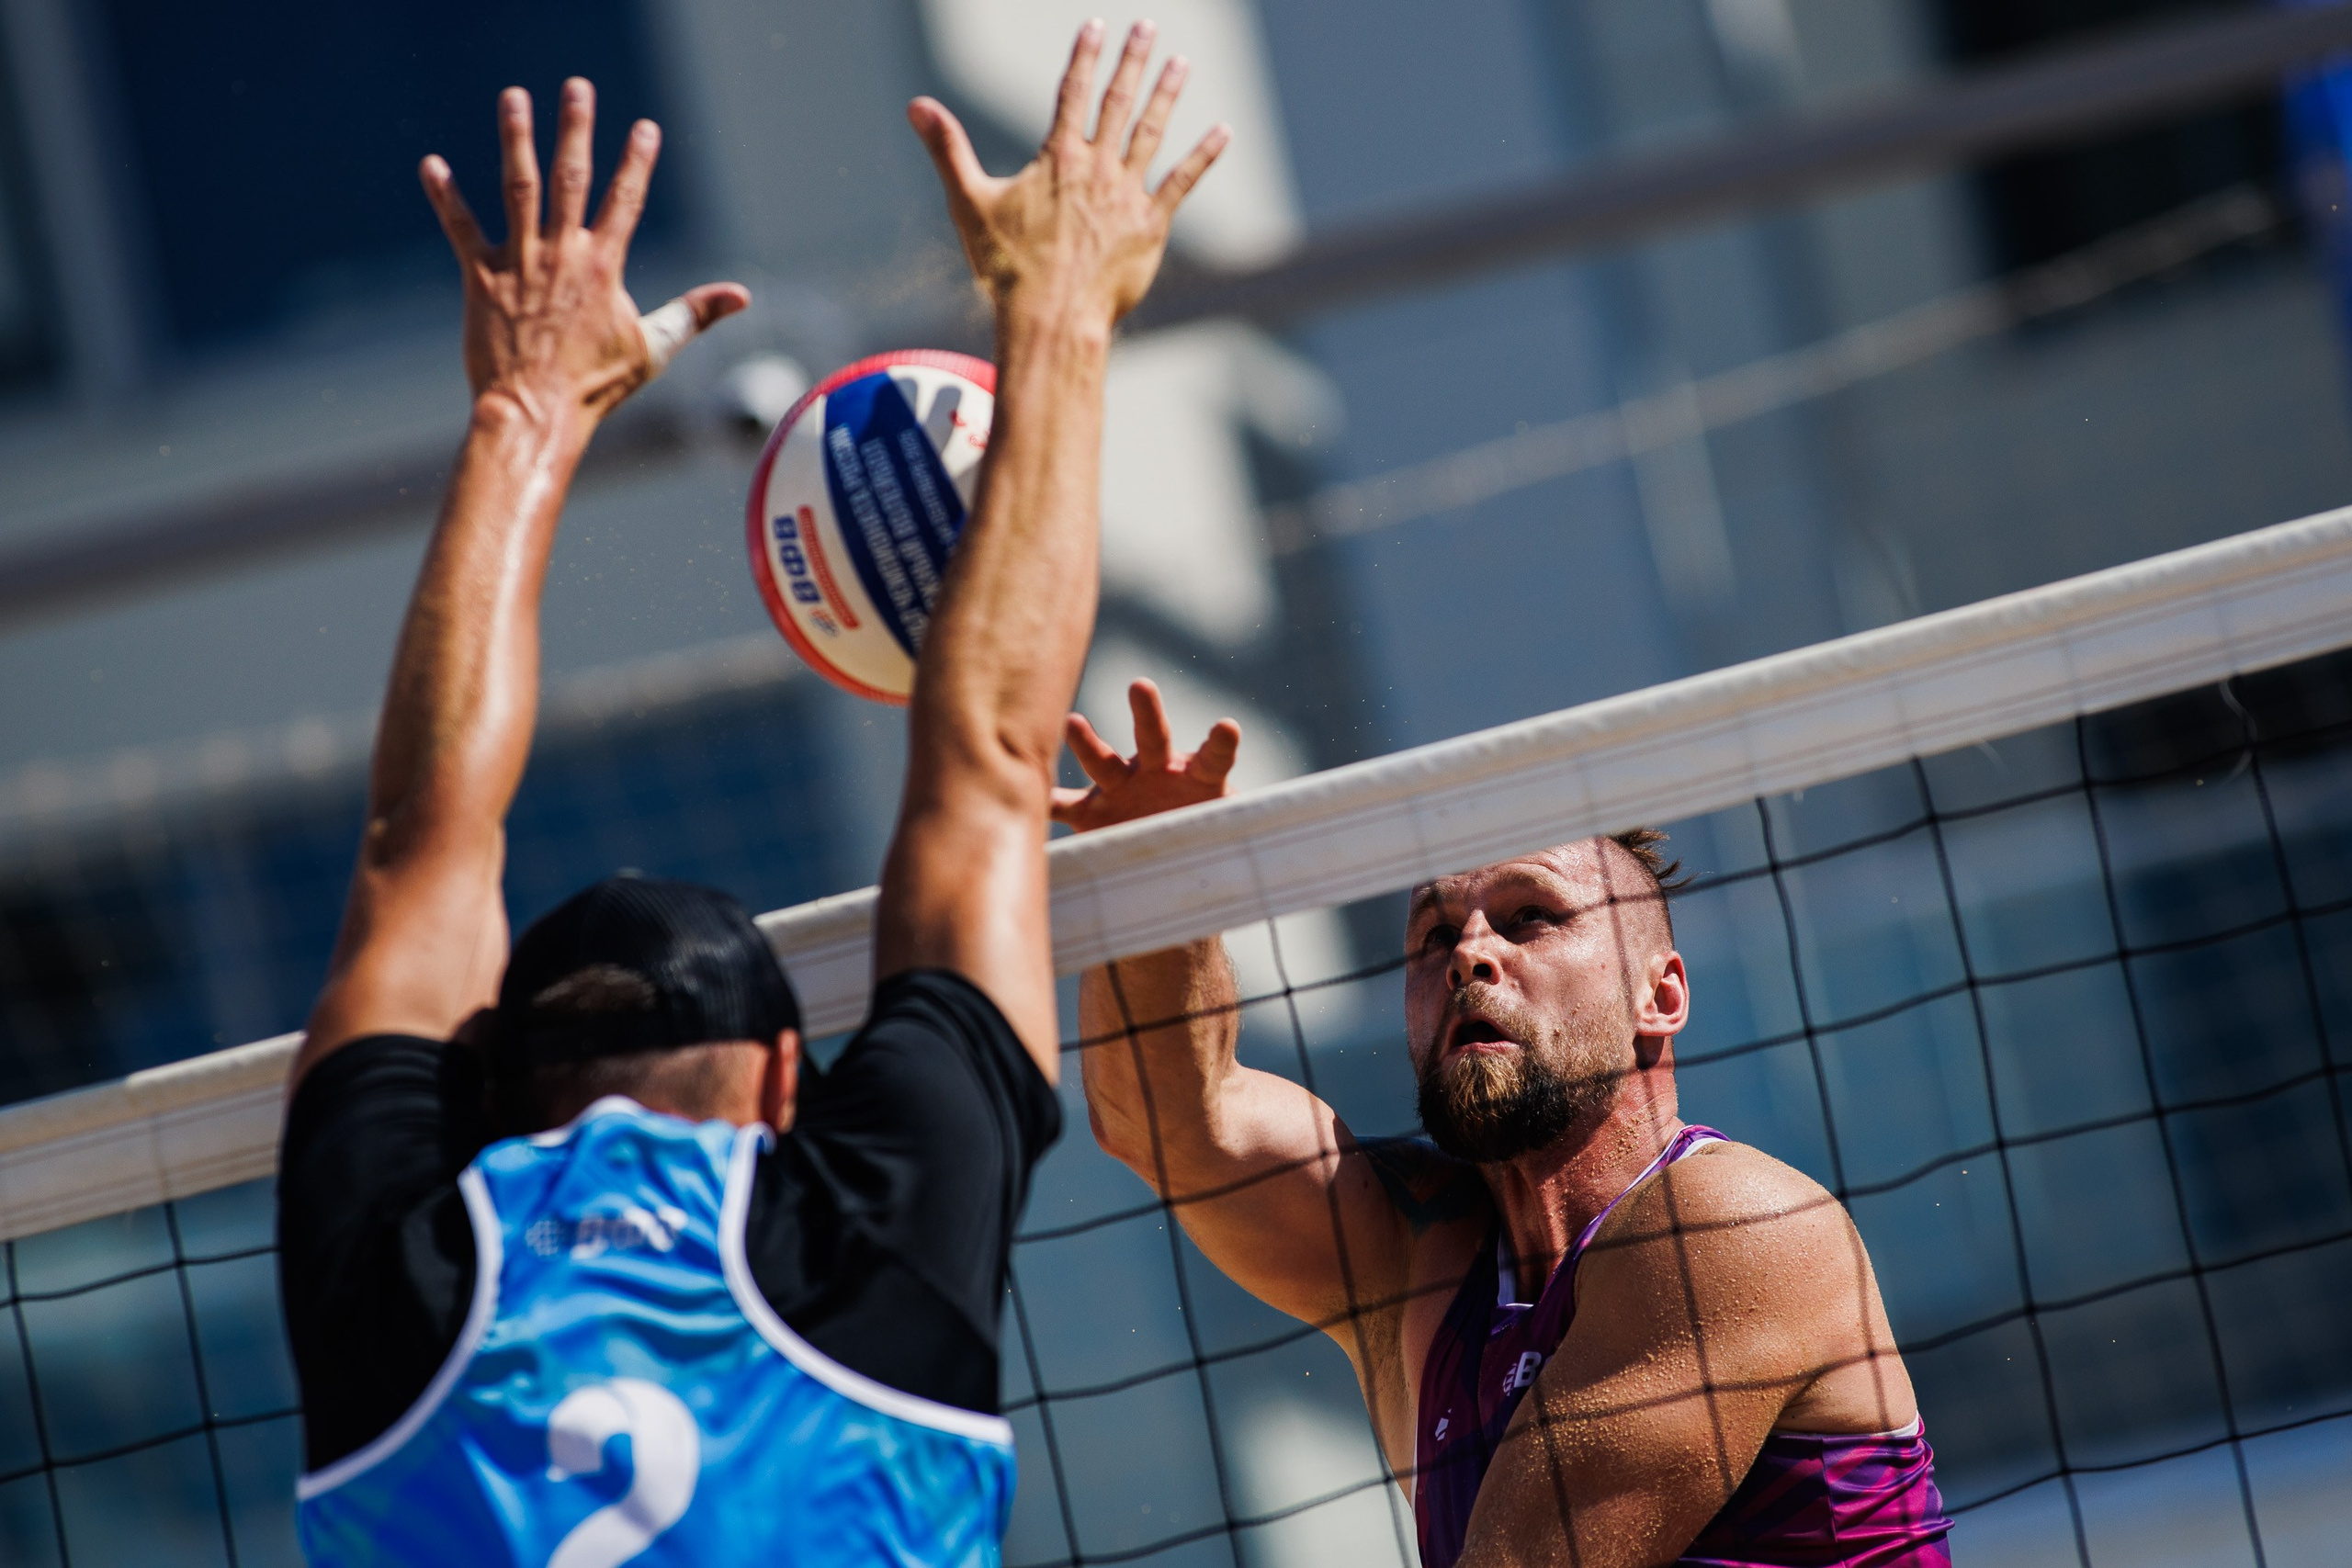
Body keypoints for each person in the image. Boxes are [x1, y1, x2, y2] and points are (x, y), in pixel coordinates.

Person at [277, 26, 1227, 1565]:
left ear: (489, 1091)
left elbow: (416, 849)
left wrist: (525, 414)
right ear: (789, 1086)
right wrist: (1062, 307)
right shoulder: (851, 1261)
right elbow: (992, 763)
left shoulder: (406, 1288)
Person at [1057, 682, 1955, 1568]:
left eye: (1531, 916)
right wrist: (1153, 872)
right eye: (1433, 936)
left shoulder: (1733, 1225)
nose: (1469, 956)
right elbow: (1170, 1118)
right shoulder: (1415, 1259)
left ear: (1661, 995)